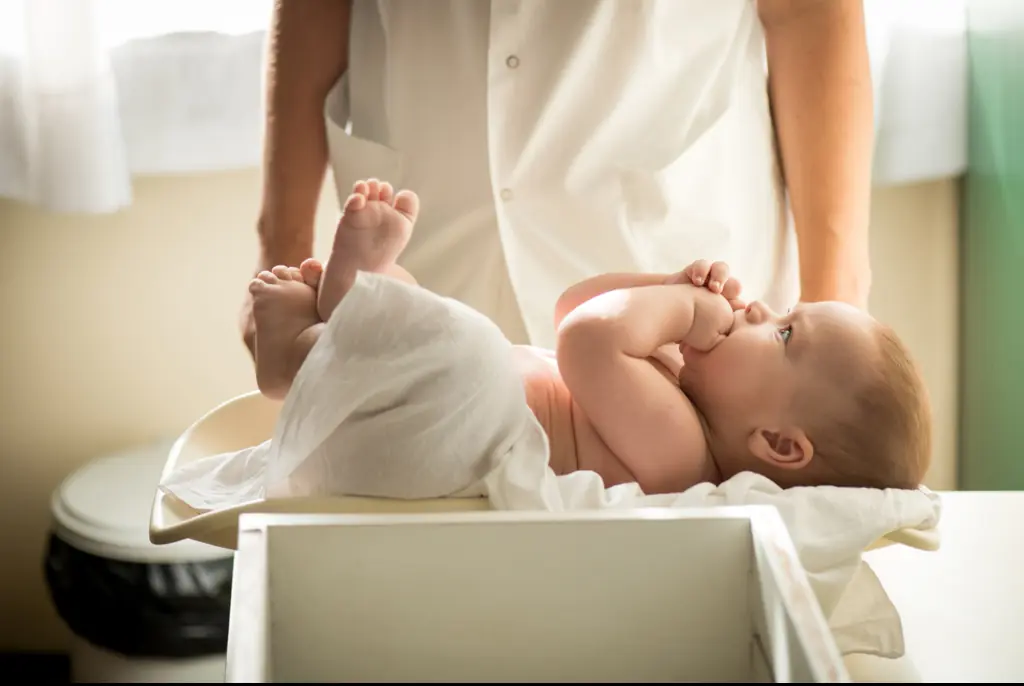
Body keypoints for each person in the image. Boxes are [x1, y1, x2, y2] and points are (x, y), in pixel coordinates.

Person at [240, 0, 875, 357]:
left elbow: (808, 11)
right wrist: (281, 243)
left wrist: (838, 301)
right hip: (428, 246)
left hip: (678, 259)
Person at [247, 178, 931, 498]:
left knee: (468, 351)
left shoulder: (684, 458)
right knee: (440, 328)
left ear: (779, 445)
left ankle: (292, 358)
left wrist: (680, 308)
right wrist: (665, 281)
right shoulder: (671, 382)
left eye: (784, 333)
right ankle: (356, 305)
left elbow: (584, 341)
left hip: (438, 440)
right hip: (433, 414)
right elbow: (575, 304)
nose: (757, 312)